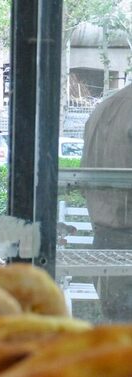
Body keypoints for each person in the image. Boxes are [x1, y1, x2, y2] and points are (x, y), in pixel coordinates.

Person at [81, 83, 132, 321]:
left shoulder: (103, 108)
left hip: (102, 239)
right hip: (127, 238)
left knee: (118, 332)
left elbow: (83, 182)